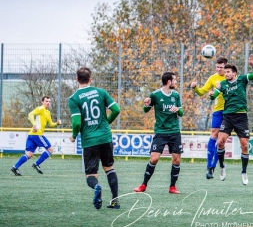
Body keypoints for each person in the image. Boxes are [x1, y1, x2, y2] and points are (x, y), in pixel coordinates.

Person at [68, 67, 121, 210]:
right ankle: (115, 201)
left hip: (90, 140)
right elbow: (116, 110)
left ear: (76, 79)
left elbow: (77, 122)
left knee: (91, 175)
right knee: (109, 168)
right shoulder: (101, 92)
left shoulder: (74, 99)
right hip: (105, 137)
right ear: (90, 79)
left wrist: (73, 136)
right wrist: (106, 123)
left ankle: (97, 186)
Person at [210, 54, 253, 185]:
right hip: (228, 117)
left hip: (241, 117)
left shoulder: (242, 80)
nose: (225, 74)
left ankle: (244, 172)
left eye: (228, 72)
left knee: (244, 145)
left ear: (234, 73)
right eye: (224, 71)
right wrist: (211, 94)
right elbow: (214, 95)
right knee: (220, 142)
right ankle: (222, 167)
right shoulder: (222, 84)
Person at [134, 72, 184, 194]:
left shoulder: (176, 95)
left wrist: (178, 109)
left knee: (176, 160)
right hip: (161, 132)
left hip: (174, 131)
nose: (176, 82)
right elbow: (146, 110)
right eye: (175, 80)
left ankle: (172, 187)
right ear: (169, 82)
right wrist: (145, 104)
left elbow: (181, 112)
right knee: (154, 158)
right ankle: (143, 185)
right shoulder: (155, 95)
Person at [190, 56, 227, 179]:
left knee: (221, 140)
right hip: (217, 111)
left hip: (230, 112)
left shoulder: (231, 77)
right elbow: (201, 92)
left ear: (226, 67)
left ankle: (215, 165)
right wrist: (195, 87)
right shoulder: (213, 78)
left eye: (221, 67)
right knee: (214, 134)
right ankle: (209, 167)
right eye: (217, 67)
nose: (219, 69)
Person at [11, 96, 62, 176]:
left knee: (29, 154)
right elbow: (30, 114)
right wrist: (34, 124)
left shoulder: (47, 112)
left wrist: (57, 124)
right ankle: (37, 164)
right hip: (37, 134)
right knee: (50, 149)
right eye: (46, 101)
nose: (48, 103)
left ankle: (15, 167)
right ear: (42, 102)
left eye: (49, 101)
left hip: (32, 135)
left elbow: (51, 124)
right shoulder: (40, 109)